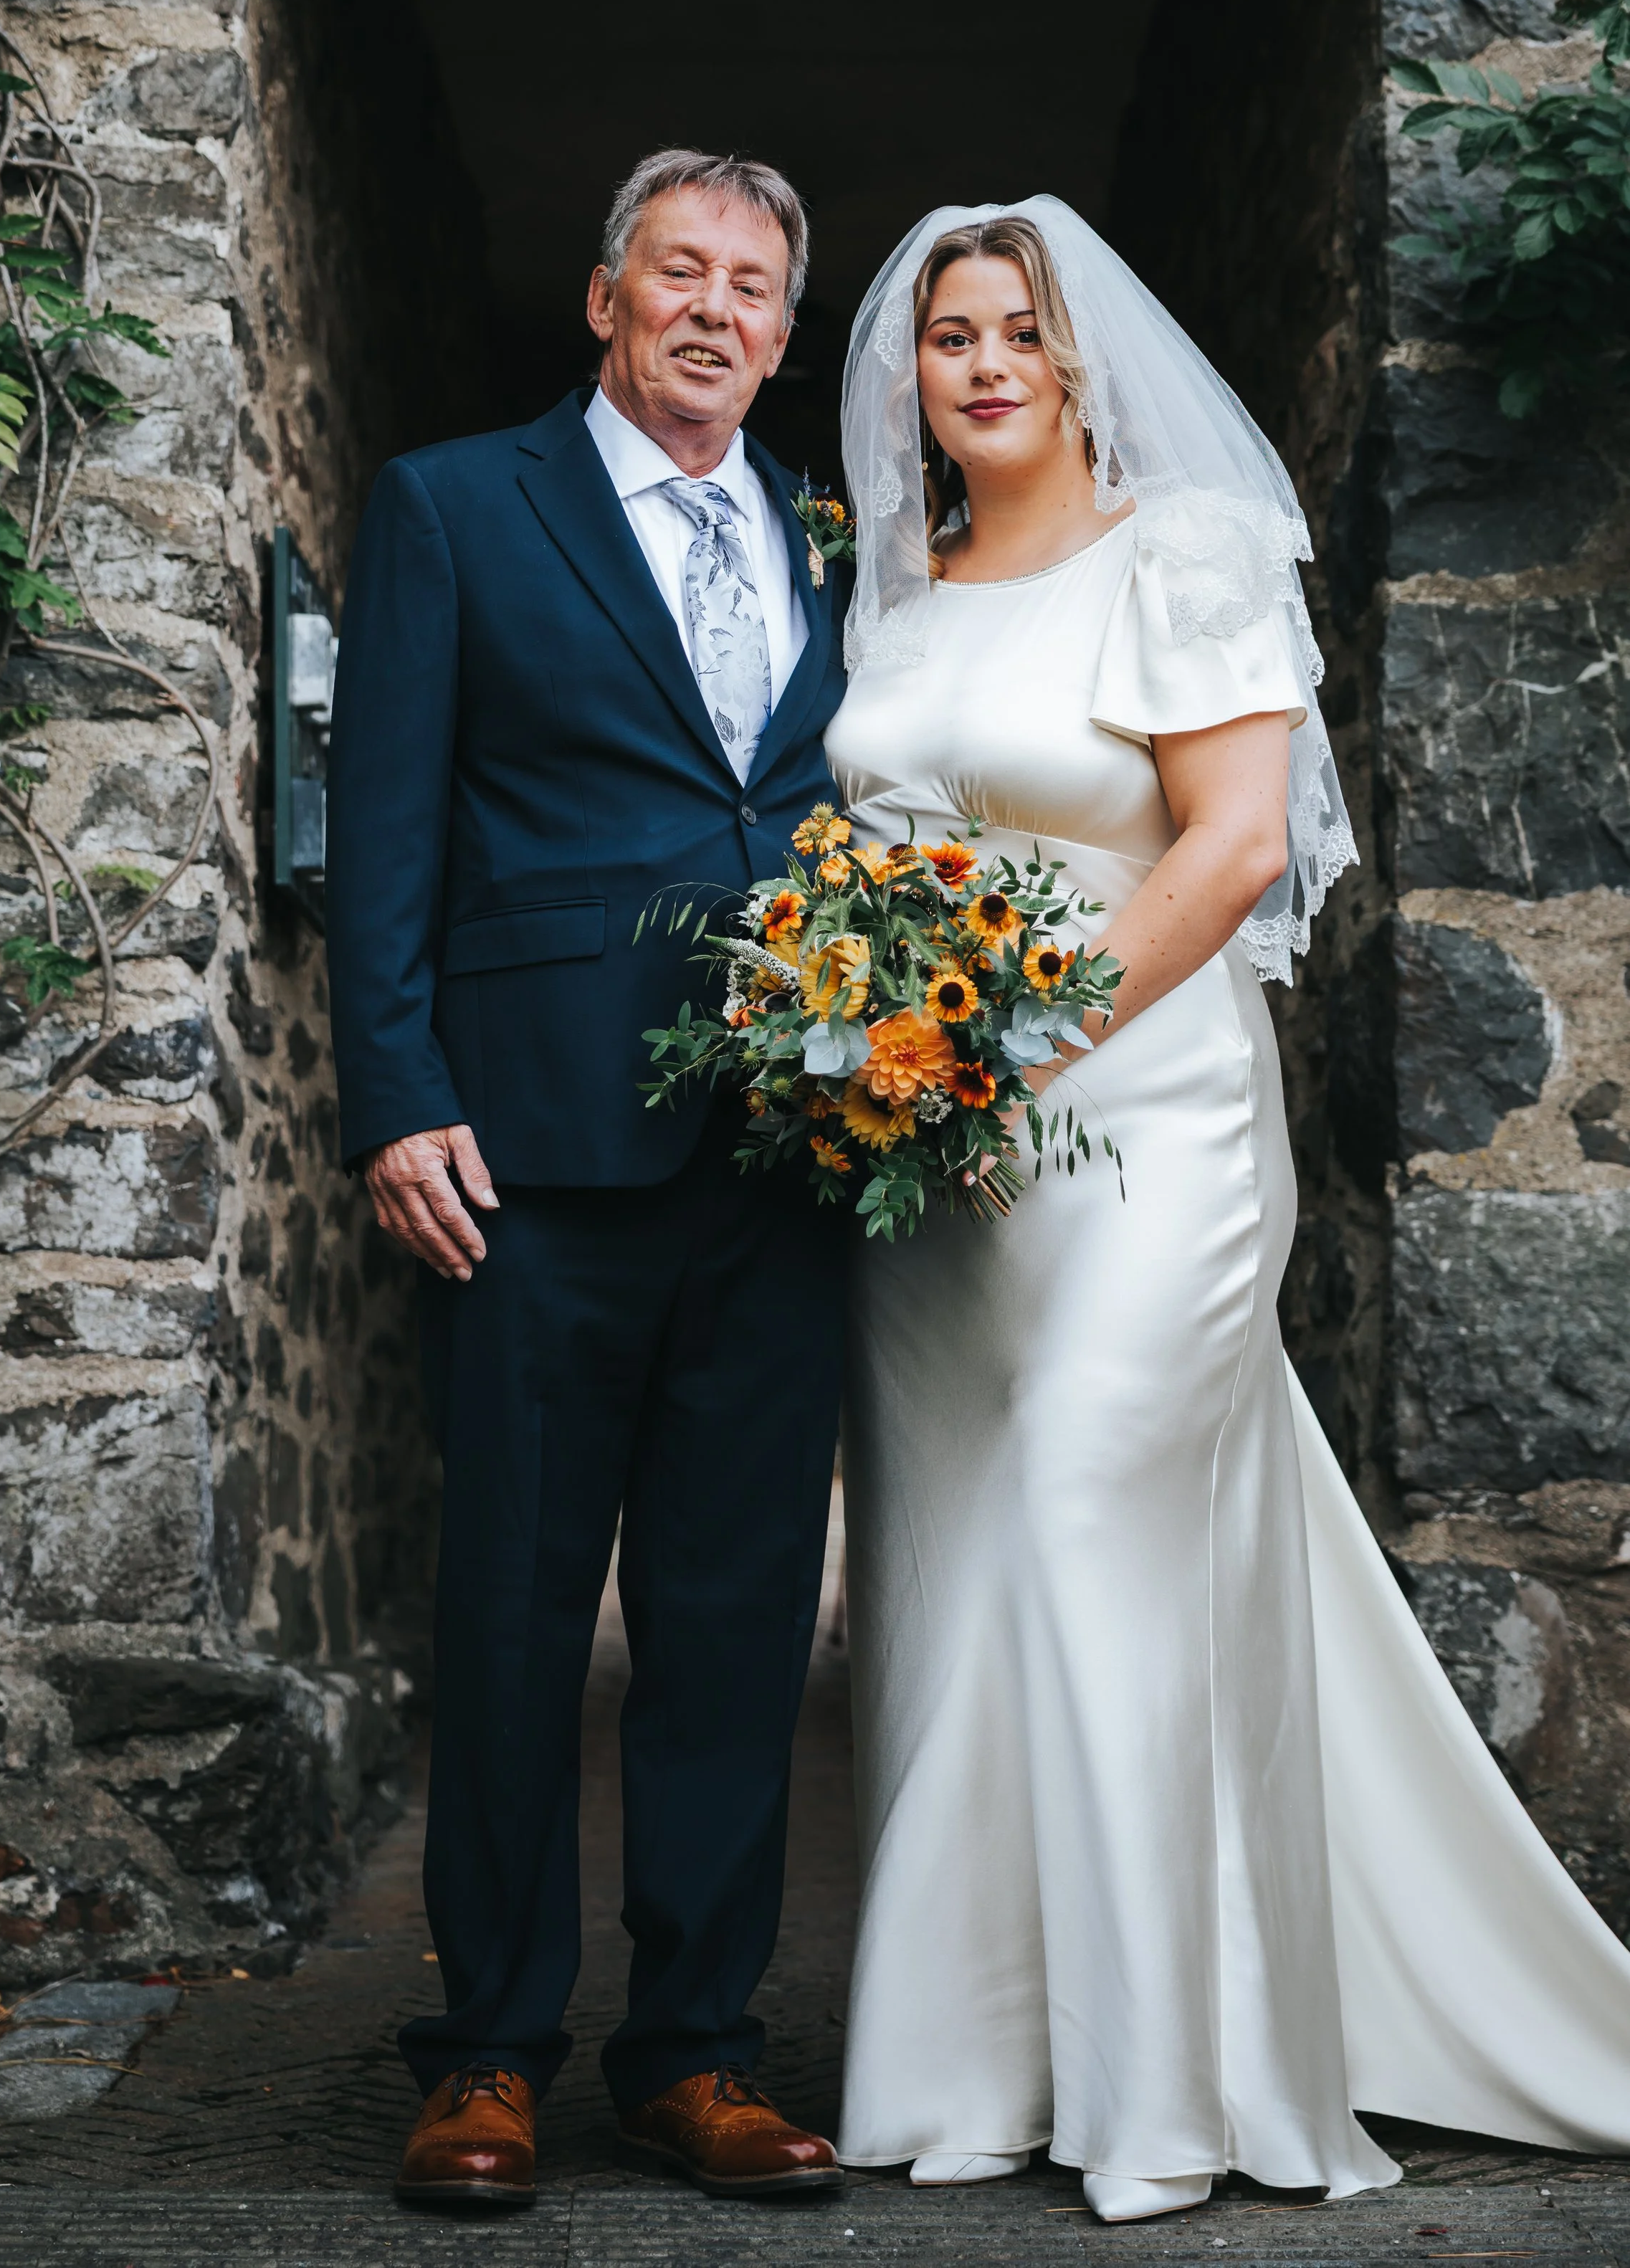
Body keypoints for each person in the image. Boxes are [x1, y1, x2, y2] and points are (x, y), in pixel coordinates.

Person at [824, 199, 1630, 2223]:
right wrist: (874, 1046)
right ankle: (972, 2060)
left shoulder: (1180, 555)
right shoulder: (902, 599)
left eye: (1021, 328)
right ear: (909, 376)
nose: (986, 361)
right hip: (948, 1175)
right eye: (949, 335)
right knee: (955, 1550)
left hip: (1150, 1117)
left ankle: (1167, 2080)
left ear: (1085, 359)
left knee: (1096, 1496)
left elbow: (1235, 844)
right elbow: (873, 859)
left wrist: (1002, 1037)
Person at [325, 150, 852, 2211]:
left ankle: (696, 2050)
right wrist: (394, 1090)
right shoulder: (459, 504)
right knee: (517, 1611)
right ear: (603, 300)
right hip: (527, 1149)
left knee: (731, 1622)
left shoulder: (830, 531)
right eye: (678, 273)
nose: (713, 308)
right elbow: (381, 823)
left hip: (790, 1148)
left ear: (784, 333)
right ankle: (486, 2051)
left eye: (750, 286)